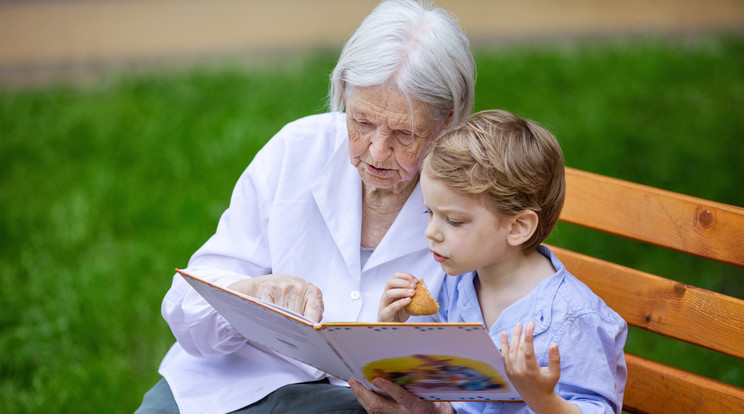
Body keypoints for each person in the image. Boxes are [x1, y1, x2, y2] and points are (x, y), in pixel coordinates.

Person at [135, 1, 475, 413]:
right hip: (227, 385)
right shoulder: (298, 150)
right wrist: (249, 293)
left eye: (405, 133)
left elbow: (489, 373)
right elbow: (188, 306)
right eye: (362, 122)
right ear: (344, 93)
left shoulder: (471, 200)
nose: (378, 151)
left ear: (448, 120)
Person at [353, 110, 627, 413]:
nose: (431, 233)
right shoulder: (456, 284)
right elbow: (435, 376)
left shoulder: (572, 317)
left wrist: (543, 399)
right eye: (429, 213)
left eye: (454, 221)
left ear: (518, 227)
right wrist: (393, 331)